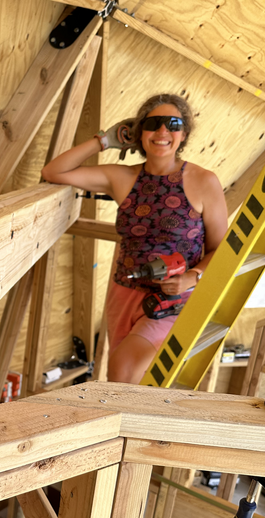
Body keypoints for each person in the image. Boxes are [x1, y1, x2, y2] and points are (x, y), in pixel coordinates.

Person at [41, 94, 228, 383]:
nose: (162, 132)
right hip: (123, 294)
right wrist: (104, 141)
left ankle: (124, 428)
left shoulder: (204, 181)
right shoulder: (122, 178)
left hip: (172, 297)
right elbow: (53, 171)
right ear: (139, 133)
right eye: (153, 124)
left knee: (124, 369)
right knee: (124, 379)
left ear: (184, 134)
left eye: (172, 124)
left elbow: (222, 250)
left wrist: (193, 277)